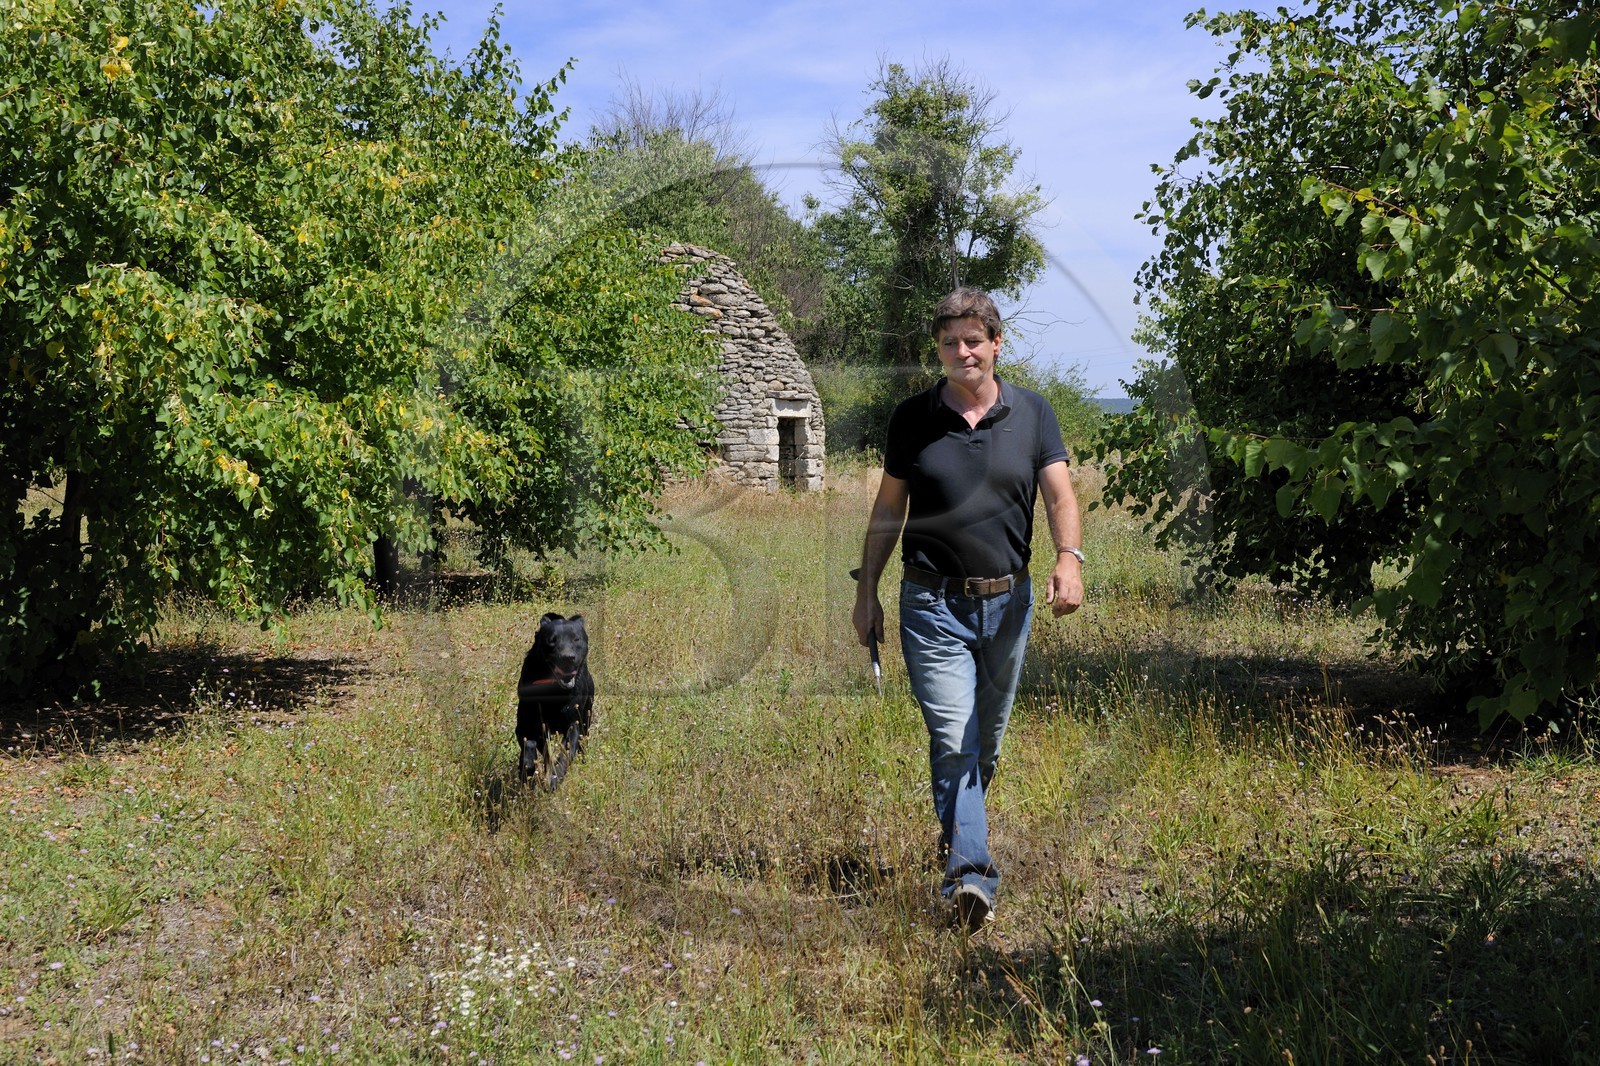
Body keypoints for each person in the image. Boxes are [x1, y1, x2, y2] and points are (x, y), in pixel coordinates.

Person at [852, 287, 1084, 932]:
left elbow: (1061, 494)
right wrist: (865, 590)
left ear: (995, 343)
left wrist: (1070, 558)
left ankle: (956, 839)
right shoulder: (912, 418)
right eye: (950, 342)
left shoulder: (1034, 413)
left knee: (986, 745)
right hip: (930, 601)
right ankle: (970, 876)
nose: (962, 352)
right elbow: (886, 510)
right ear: (939, 349)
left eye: (973, 340)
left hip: (1009, 602)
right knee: (955, 738)